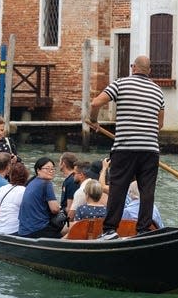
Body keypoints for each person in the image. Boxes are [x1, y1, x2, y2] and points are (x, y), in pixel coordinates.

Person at [88, 54, 165, 238]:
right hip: (150, 149)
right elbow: (159, 125)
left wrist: (94, 121)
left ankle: (109, 230)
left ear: (133, 68)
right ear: (150, 71)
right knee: (147, 191)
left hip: (125, 147)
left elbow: (95, 102)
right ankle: (144, 230)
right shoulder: (158, 91)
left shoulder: (121, 84)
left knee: (118, 188)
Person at [16, 157, 62, 238]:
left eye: (52, 169)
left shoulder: (31, 182)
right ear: (38, 170)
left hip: (23, 230)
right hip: (38, 230)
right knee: (71, 227)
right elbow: (55, 209)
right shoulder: (46, 183)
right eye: (47, 168)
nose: (51, 171)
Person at [0, 161, 29, 235]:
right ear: (26, 176)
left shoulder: (2, 189)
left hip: (0, 230)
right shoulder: (24, 191)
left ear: (10, 175)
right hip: (15, 231)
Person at [58, 152, 79, 218]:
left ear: (63, 164)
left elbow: (69, 208)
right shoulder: (71, 178)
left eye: (59, 161)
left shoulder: (71, 181)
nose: (58, 164)